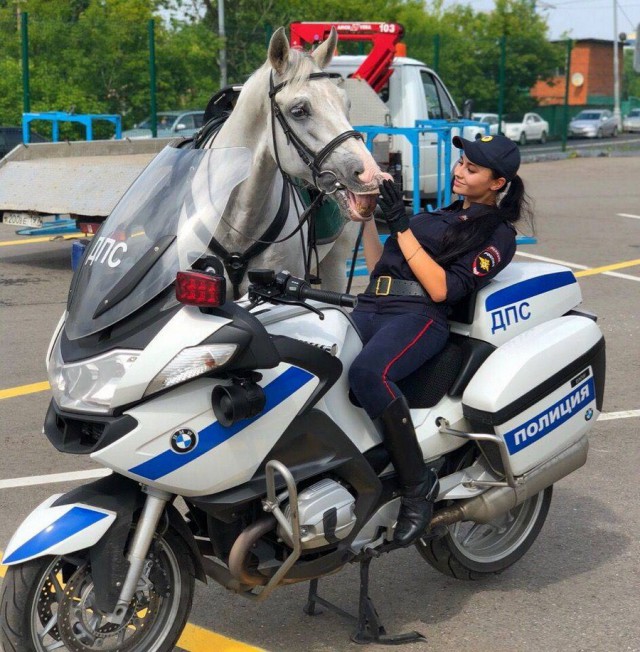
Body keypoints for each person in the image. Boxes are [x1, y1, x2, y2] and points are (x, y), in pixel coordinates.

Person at [349, 134, 533, 547]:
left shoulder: (498, 235)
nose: (458, 171)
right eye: (460, 163)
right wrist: (369, 219)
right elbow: (382, 266)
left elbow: (442, 289)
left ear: (497, 183)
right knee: (315, 364)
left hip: (418, 317)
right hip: (371, 304)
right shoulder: (437, 216)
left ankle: (417, 486)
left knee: (369, 373)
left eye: (472, 168)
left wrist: (402, 226)